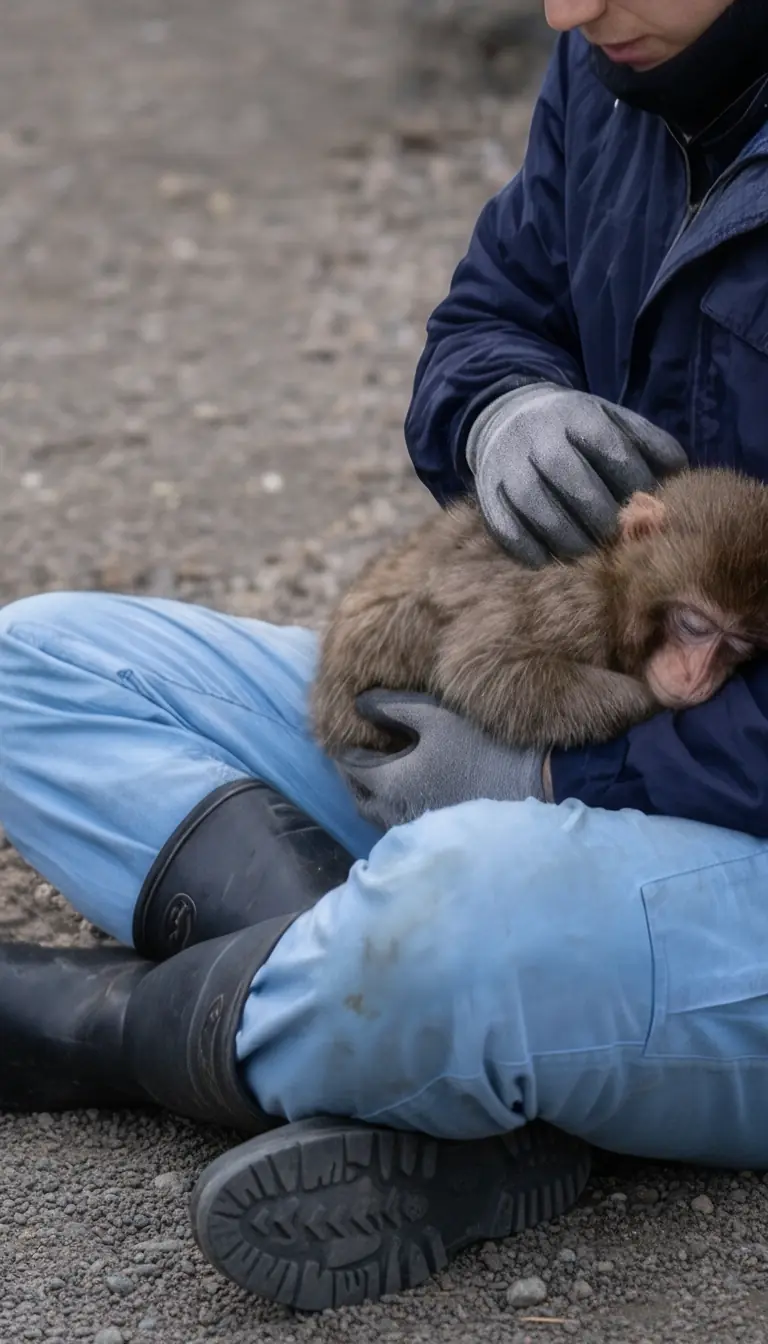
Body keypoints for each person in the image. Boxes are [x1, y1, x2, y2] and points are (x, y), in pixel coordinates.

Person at [2, 0, 768, 1314]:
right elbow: (488, 317)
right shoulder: (609, 73)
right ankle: (436, 1072)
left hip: (706, 847)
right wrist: (500, 411)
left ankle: (114, 1032)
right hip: (559, 722)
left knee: (463, 908)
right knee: (40, 663)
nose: (565, 10)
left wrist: (555, 781)